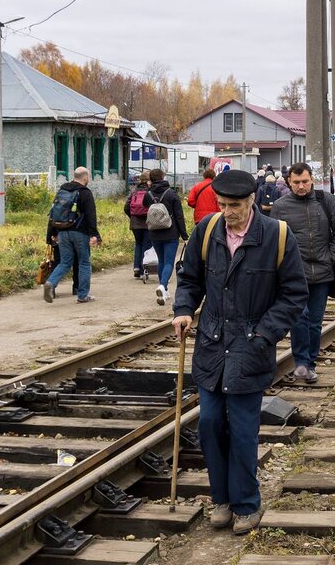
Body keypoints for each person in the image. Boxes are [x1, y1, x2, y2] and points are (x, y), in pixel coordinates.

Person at [173, 169, 308, 534]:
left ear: (251, 202)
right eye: (222, 204)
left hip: (251, 346)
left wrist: (264, 334)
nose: (227, 211)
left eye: (234, 205)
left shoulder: (277, 236)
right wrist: (184, 309)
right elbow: (189, 279)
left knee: (244, 429)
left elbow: (294, 294)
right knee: (209, 423)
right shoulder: (206, 232)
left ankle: (247, 504)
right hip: (213, 346)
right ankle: (222, 500)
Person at [270, 162, 335, 384]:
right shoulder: (281, 206)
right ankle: (301, 362)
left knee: (314, 321)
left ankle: (310, 363)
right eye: (296, 182)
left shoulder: (326, 200)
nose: (301, 186)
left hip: (323, 272)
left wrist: (332, 256)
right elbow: (274, 239)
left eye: (305, 181)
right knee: (298, 317)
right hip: (295, 273)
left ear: (311, 179)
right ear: (289, 183)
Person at [44, 167, 101, 304]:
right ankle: (82, 295)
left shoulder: (62, 190)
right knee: (84, 263)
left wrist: (53, 233)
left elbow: (54, 213)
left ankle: (51, 283)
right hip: (80, 232)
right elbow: (91, 215)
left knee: (65, 262)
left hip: (62, 231)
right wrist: (95, 235)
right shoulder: (85, 192)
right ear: (85, 177)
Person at [144, 168, 188, 306]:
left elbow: (145, 207)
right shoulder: (172, 194)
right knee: (169, 262)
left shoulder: (148, 194)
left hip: (154, 232)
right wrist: (184, 236)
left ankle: (165, 291)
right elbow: (179, 216)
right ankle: (163, 286)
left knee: (161, 261)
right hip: (171, 232)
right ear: (163, 177)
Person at [125, 172, 151, 278]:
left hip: (135, 223)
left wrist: (132, 217)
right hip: (147, 223)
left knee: (138, 244)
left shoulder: (134, 191)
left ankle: (136, 267)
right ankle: (143, 269)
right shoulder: (150, 192)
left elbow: (126, 207)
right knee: (146, 245)